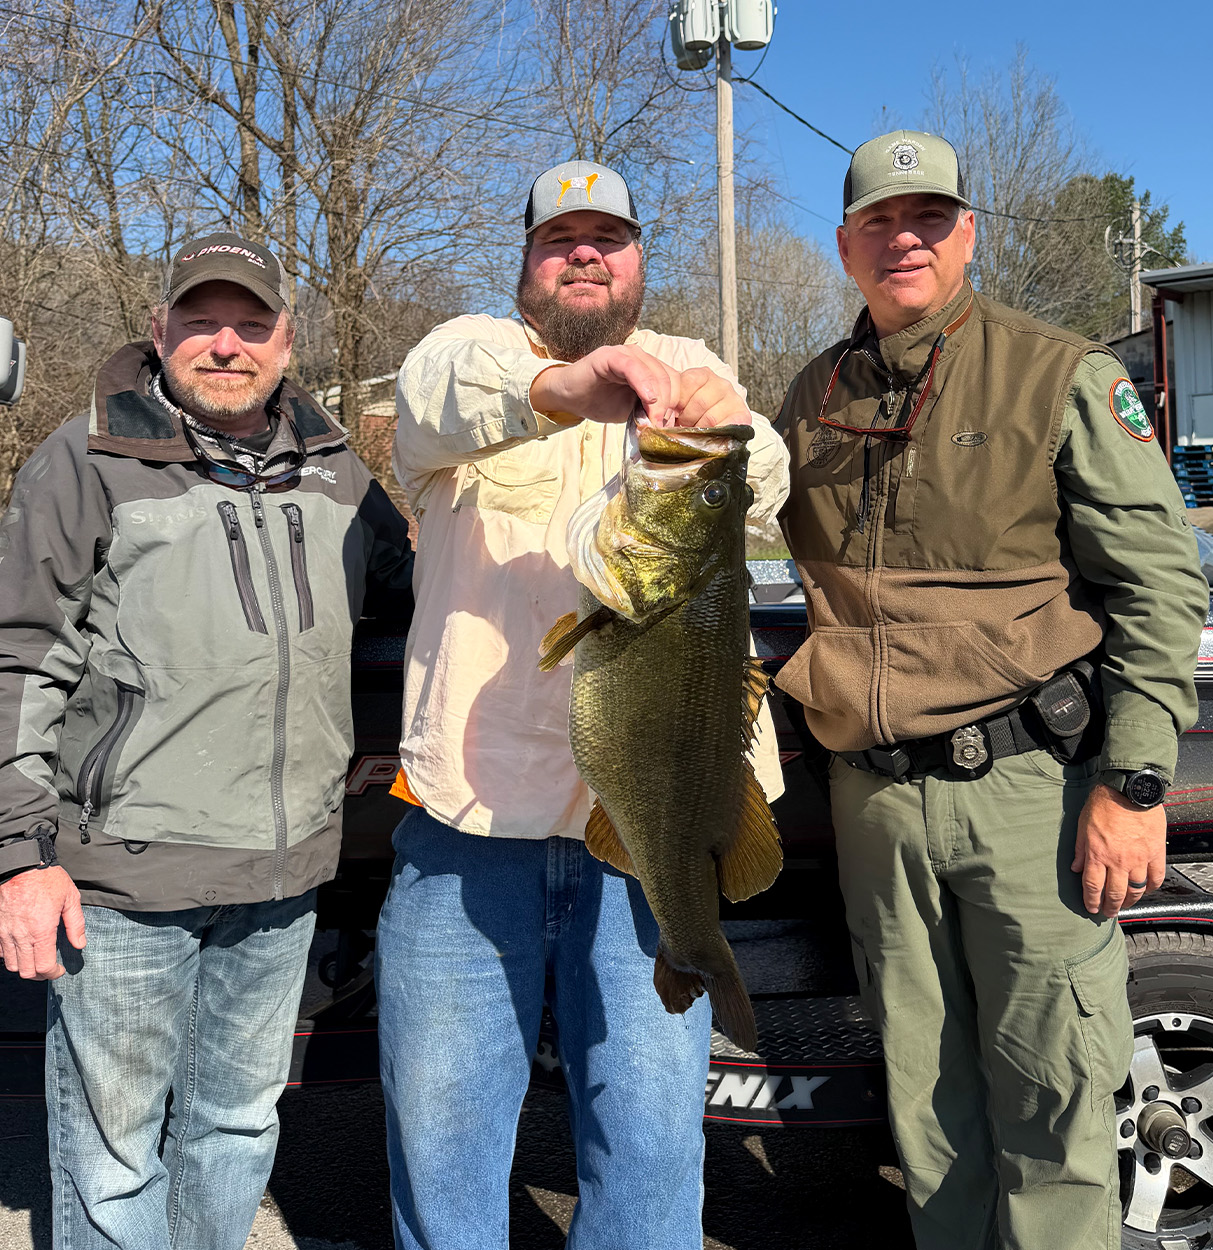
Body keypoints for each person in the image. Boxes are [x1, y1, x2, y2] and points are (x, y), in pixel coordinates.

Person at [772, 131, 1210, 1249]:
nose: (903, 238)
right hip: (870, 800)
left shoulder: (1057, 373)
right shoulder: (811, 394)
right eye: (879, 220)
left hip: (1024, 791)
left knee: (1053, 1095)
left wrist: (1135, 780)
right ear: (844, 245)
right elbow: (714, 515)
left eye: (928, 217)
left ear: (967, 231)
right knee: (924, 1105)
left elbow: (1157, 585)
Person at [380, 158, 790, 1250]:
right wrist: (568, 388)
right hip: (470, 833)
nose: (585, 254)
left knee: (651, 1169)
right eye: (561, 238)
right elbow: (430, 401)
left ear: (639, 258)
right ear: (525, 260)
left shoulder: (694, 369)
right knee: (445, 1154)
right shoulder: (459, 358)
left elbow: (770, 481)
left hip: (651, 847)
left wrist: (725, 432)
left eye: (607, 236)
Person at [0, 232, 413, 1250]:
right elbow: (18, 660)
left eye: (248, 322)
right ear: (159, 330)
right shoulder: (86, 457)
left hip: (282, 875)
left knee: (235, 1126)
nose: (223, 343)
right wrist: (20, 856)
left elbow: (411, 618)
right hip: (123, 876)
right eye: (199, 319)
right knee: (113, 1153)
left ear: (286, 339)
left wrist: (382, 732)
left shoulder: (339, 473)